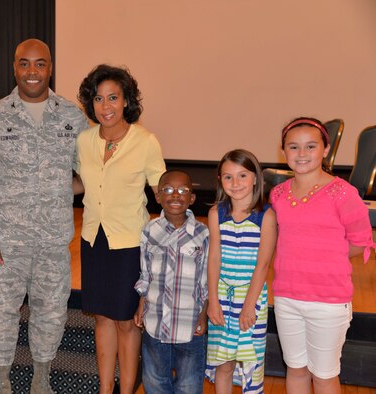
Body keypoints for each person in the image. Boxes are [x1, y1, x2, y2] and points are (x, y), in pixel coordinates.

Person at [0, 38, 88, 394]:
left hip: (52, 243)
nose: (32, 72)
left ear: (51, 67)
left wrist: (63, 189)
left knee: (52, 313)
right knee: (3, 314)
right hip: (4, 243)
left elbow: (90, 173)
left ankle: (41, 378)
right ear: (14, 67)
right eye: (24, 63)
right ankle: (1, 381)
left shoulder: (71, 117)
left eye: (40, 63)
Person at [76, 64, 166, 393]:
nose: (106, 106)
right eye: (99, 99)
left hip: (130, 243)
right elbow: (81, 182)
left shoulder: (145, 141)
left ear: (126, 100)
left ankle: (126, 390)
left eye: (113, 97)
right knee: (101, 317)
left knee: (127, 321)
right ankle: (105, 388)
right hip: (93, 239)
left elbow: (162, 190)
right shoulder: (84, 141)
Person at [270, 117, 375, 394]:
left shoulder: (343, 193)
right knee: (295, 369)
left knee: (325, 375)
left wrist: (327, 260)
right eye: (293, 147)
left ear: (325, 150)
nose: (301, 154)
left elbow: (359, 242)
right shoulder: (278, 194)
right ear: (284, 151)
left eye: (310, 146)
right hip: (287, 297)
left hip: (328, 301)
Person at [205, 149, 277, 394]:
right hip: (222, 298)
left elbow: (263, 265)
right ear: (220, 180)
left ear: (256, 178)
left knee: (251, 362)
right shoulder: (216, 213)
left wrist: (249, 305)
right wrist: (212, 300)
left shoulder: (266, 216)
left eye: (242, 176)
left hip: (251, 298)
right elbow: (213, 258)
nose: (235, 184)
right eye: (228, 177)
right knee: (223, 363)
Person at [134, 169, 209, 394]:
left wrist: (203, 316)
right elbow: (145, 273)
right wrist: (141, 305)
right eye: (167, 189)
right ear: (158, 197)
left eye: (182, 191)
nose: (175, 195)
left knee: (189, 383)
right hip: (156, 321)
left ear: (192, 198)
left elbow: (206, 278)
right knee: (155, 380)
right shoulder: (150, 231)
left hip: (189, 323)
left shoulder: (202, 233)